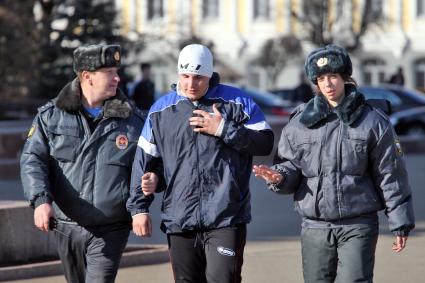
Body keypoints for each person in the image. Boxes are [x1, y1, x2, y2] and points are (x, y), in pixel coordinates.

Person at [253, 45, 415, 283]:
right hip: (315, 227)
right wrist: (279, 177)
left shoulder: (372, 121)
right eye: (321, 78)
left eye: (333, 76)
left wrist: (400, 222)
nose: (328, 84)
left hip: (358, 224)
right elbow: (290, 167)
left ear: (345, 78)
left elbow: (390, 173)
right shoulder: (300, 123)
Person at [126, 44, 274, 283]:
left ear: (210, 75)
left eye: (198, 77)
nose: (191, 84)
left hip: (226, 218)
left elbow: (264, 143)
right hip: (179, 219)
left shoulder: (237, 102)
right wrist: (139, 208)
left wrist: (224, 129)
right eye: (185, 76)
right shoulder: (160, 111)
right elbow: (144, 163)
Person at [20, 44, 145, 283]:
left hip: (111, 226)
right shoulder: (51, 116)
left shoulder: (133, 120)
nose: (117, 77)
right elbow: (33, 159)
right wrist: (40, 201)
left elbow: (149, 164)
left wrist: (150, 184)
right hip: (67, 225)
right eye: (109, 72)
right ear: (87, 76)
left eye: (116, 71)